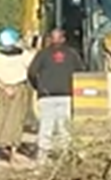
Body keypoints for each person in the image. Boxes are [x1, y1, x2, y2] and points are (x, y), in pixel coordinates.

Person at [27, 28, 85, 163]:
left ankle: (42, 158)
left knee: (46, 127)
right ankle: (64, 157)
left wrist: (39, 87)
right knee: (64, 127)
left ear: (50, 39)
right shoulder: (72, 54)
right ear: (63, 39)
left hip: (46, 96)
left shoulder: (42, 54)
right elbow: (81, 72)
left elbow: (31, 73)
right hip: (66, 95)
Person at [0, 27, 35, 164]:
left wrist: (4, 87)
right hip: (19, 89)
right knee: (16, 120)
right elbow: (33, 66)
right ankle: (12, 150)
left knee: (1, 117)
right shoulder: (24, 55)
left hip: (3, 90)